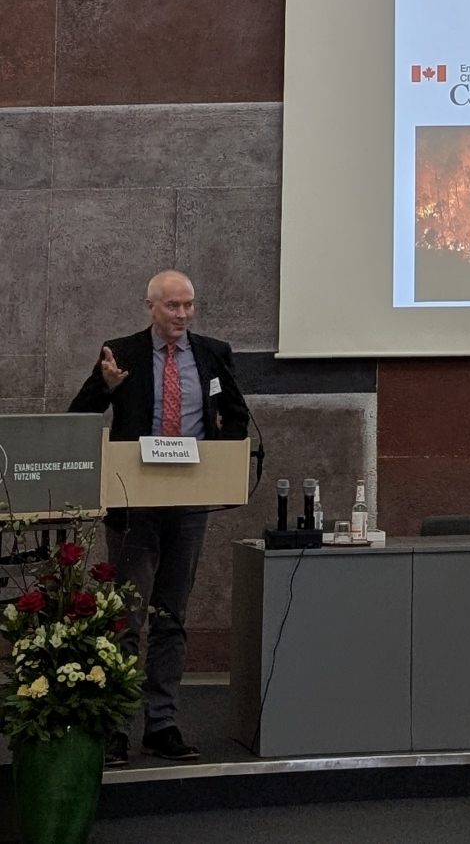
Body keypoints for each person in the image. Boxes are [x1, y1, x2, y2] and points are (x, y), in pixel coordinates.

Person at [69, 270, 249, 767]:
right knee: (127, 618)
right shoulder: (121, 353)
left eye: (189, 305)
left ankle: (162, 724)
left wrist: (218, 461)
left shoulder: (213, 353)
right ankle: (115, 726)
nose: (182, 315)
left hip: (188, 504)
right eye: (173, 306)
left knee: (172, 618)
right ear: (150, 306)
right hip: (135, 503)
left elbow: (236, 418)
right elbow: (78, 416)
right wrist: (104, 386)